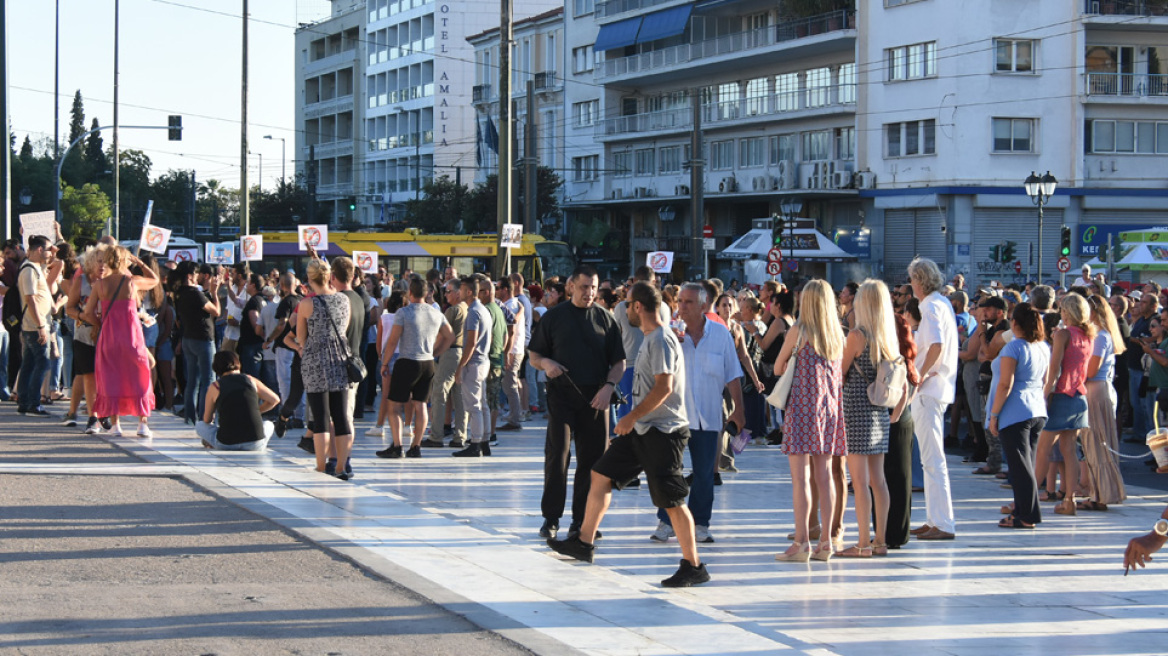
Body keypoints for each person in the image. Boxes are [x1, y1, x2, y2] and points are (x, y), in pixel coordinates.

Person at [546, 282, 709, 588]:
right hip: (643, 430)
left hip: (663, 432)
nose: (622, 308)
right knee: (601, 474)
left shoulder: (660, 339)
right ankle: (584, 542)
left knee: (672, 501)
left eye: (626, 303)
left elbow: (664, 387)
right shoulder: (650, 338)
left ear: (637, 307)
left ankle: (694, 566)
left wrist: (631, 417)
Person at [528, 265, 626, 539]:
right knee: (558, 456)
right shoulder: (554, 317)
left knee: (593, 462)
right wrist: (547, 363)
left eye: (594, 288)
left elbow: (619, 362)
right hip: (562, 396)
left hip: (596, 398)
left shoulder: (605, 319)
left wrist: (609, 387)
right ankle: (551, 518)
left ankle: (582, 520)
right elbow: (534, 355)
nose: (589, 293)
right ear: (571, 286)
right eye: (584, 287)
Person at [649, 283, 745, 545]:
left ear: (703, 306)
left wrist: (739, 410)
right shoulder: (670, 335)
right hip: (674, 417)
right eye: (680, 301)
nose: (682, 307)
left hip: (709, 417)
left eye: (689, 302)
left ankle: (700, 523)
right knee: (672, 472)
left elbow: (733, 374)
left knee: (704, 474)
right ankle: (666, 521)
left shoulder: (721, 334)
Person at [774, 280, 847, 562]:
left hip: (802, 408)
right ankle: (826, 542)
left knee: (800, 478)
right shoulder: (837, 335)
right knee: (825, 475)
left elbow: (780, 367)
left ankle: (802, 541)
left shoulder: (798, 331)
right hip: (829, 410)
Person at [837, 280, 896, 557]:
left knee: (859, 482)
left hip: (856, 412)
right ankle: (880, 540)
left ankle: (862, 543)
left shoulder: (857, 336)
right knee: (878, 480)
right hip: (879, 412)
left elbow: (841, 372)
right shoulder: (887, 337)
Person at [906, 258, 959, 541]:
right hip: (937, 387)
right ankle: (934, 519)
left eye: (912, 279)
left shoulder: (929, 306)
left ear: (920, 279)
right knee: (930, 459)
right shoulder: (941, 303)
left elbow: (936, 345)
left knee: (932, 458)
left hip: (930, 389)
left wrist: (919, 375)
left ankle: (943, 522)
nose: (911, 284)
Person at [82, 246, 159, 437]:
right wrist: (140, 263)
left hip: (109, 337)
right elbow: (155, 280)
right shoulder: (132, 282)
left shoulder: (100, 285)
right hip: (131, 336)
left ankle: (116, 425)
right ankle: (142, 423)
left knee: (111, 377)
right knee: (140, 374)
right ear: (126, 261)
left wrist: (101, 323)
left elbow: (87, 313)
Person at [986, 303, 1050, 529]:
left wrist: (994, 414)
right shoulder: (1043, 347)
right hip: (1037, 408)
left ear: (1015, 324)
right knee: (1026, 465)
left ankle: (1026, 515)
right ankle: (1024, 510)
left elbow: (1005, 383)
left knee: (1019, 467)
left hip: (1015, 411)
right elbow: (1045, 380)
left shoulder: (1013, 348)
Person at [376, 276, 454, 458]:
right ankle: (416, 446)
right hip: (427, 363)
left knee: (394, 405)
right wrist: (435, 352)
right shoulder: (437, 313)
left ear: (410, 293)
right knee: (421, 405)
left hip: (407, 361)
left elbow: (394, 340)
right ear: (427, 293)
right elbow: (450, 336)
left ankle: (397, 446)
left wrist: (385, 362)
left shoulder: (404, 313)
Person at [291, 257, 354, 479]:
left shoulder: (307, 304)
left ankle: (321, 465)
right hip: (340, 359)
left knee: (321, 418)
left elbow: (300, 338)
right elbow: (343, 329)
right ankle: (341, 467)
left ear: (309, 278)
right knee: (341, 417)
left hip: (315, 362)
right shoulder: (344, 301)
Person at [1035, 293, 1095, 517]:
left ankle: (1027, 499)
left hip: (1060, 394)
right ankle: (1070, 500)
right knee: (1069, 450)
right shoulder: (1088, 335)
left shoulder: (1063, 335)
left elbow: (1054, 369)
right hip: (1079, 395)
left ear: (1067, 312)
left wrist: (1044, 395)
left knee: (1043, 449)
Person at [1079, 295, 1126, 511]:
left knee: (1097, 444)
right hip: (1100, 389)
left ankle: (1100, 494)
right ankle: (1098, 492)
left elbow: (1091, 370)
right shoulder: (1103, 335)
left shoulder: (1099, 337)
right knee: (1097, 443)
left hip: (1096, 391)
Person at [16, 236, 63, 417]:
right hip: (35, 325)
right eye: (48, 249)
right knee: (42, 363)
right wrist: (41, 325)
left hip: (34, 324)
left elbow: (54, 265)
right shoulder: (29, 270)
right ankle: (33, 403)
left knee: (28, 364)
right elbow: (31, 299)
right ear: (38, 250)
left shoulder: (36, 268)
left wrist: (53, 254)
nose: (50, 253)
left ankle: (25, 401)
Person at [197, 350, 280, 450]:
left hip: (226, 443)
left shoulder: (215, 386)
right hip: (255, 443)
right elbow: (275, 400)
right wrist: (257, 411)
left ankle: (211, 442)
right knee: (269, 424)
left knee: (200, 425)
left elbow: (207, 419)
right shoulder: (250, 380)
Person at [885, 314, 919, 548]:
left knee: (890, 477)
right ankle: (898, 532)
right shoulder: (906, 356)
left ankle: (890, 533)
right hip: (904, 418)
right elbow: (914, 385)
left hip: (894, 420)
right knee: (901, 478)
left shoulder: (893, 356)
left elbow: (906, 389)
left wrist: (892, 419)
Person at [175, 262, 222, 426]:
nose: (198, 277)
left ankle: (189, 417)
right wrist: (215, 293)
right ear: (190, 276)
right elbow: (216, 311)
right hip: (203, 339)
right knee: (207, 380)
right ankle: (204, 417)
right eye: (195, 274)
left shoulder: (179, 293)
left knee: (192, 381)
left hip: (188, 338)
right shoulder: (195, 293)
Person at [452, 275, 494, 457]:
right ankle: (484, 440)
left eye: (461, 289)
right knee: (482, 404)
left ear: (469, 292)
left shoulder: (473, 312)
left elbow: (471, 342)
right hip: (484, 361)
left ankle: (475, 443)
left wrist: (461, 366)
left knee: (473, 405)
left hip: (474, 362)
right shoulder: (483, 310)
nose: (459, 292)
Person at [423, 279, 467, 448]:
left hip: (450, 352)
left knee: (439, 393)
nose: (446, 294)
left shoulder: (453, 310)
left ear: (458, 292)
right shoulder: (466, 308)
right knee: (458, 395)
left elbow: (443, 335)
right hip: (461, 352)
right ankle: (460, 435)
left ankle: (436, 435)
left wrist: (433, 352)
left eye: (449, 291)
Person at [237, 273, 266, 378]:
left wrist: (264, 337)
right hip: (256, 345)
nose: (246, 286)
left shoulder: (254, 301)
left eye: (248, 283)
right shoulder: (262, 299)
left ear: (253, 285)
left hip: (252, 346)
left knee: (251, 378)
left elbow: (256, 324)